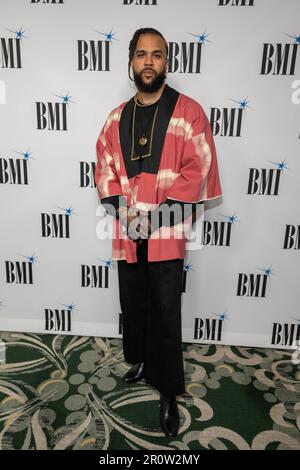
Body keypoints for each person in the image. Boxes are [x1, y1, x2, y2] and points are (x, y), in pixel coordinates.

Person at [95, 27, 222, 437]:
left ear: (167, 62)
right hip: (128, 229)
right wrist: (126, 213)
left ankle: (168, 389)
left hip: (166, 230)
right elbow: (105, 170)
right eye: (141, 54)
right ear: (130, 61)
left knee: (166, 311)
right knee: (135, 304)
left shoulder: (189, 112)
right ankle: (144, 360)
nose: (149, 61)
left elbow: (197, 170)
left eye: (157, 54)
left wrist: (157, 217)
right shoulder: (115, 119)